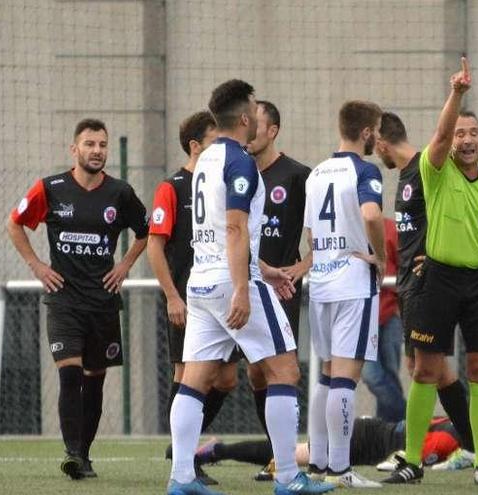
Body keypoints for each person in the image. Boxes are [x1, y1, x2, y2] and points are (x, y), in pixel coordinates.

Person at [166, 79, 332, 495]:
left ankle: (181, 477)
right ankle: (288, 478)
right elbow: (237, 227)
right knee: (285, 369)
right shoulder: (239, 161)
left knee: (194, 380)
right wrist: (244, 287)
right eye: (256, 110)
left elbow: (222, 231)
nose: (260, 116)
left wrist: (268, 269)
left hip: (200, 282)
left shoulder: (203, 159)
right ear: (244, 119)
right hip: (230, 284)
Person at [384, 57, 478, 486]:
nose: (466, 140)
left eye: (473, 133)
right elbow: (439, 135)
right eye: (460, 133)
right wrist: (457, 93)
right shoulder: (434, 171)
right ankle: (411, 460)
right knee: (425, 370)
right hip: (437, 279)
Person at [7, 118, 148, 480]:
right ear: (75, 149)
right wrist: (37, 265)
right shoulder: (51, 187)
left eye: (102, 145)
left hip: (102, 302)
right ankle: (71, 453)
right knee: (70, 376)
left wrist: (125, 265)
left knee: (95, 380)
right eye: (90, 144)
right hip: (63, 300)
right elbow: (15, 223)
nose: (97, 151)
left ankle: (84, 454)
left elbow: (147, 231)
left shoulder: (120, 193)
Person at [374, 111, 475, 469]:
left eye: (376, 148)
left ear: (382, 143)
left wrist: (457, 94)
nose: (376, 155)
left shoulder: (424, 166)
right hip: (409, 288)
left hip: (429, 286)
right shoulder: (403, 176)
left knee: (423, 371)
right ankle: (473, 445)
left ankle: (414, 455)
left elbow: (443, 135)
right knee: (428, 367)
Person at [148, 111, 237, 486]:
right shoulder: (172, 187)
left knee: (228, 378)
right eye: (215, 141)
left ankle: (182, 450)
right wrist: (171, 295)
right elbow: (155, 246)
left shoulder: (220, 181)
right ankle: (183, 461)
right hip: (188, 299)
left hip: (221, 295)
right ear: (195, 146)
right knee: (186, 375)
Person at [304, 100, 386, 489]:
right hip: (353, 281)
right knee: (346, 378)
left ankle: (318, 464)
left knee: (324, 374)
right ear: (367, 132)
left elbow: (310, 234)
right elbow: (371, 215)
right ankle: (340, 469)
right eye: (377, 130)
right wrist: (379, 256)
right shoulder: (365, 170)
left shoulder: (317, 171)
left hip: (320, 280)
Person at [247, 99, 312, 465]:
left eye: (256, 125)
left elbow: (322, 234)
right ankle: (277, 452)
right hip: (245, 285)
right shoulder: (240, 174)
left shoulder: (297, 175)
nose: (249, 132)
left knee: (280, 369)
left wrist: (303, 264)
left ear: (272, 131)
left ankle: (281, 456)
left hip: (281, 288)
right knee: (252, 371)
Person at [194, 417, 478, 475]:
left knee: (295, 453)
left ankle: (220, 451)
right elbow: (401, 459)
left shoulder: (456, 426)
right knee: (294, 454)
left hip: (369, 432)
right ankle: (217, 451)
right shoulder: (451, 439)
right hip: (364, 441)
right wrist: (447, 465)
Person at [361, 217, 406, 422]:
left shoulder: (389, 228)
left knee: (390, 374)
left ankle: (388, 432)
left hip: (388, 314)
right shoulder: (348, 225)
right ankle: (408, 418)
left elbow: (403, 266)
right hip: (358, 316)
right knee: (373, 376)